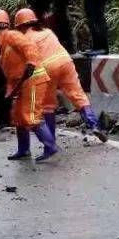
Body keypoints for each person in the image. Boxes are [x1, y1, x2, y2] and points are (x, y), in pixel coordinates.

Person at [13, 8, 107, 142]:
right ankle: (94, 124)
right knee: (79, 96)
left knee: (48, 105)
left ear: (19, 26)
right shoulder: (47, 32)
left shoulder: (24, 39)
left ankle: (51, 142)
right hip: (66, 62)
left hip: (47, 68)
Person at [0, 8, 59, 162]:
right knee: (18, 116)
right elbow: (11, 74)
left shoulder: (11, 36)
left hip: (33, 79)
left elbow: (29, 47)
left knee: (30, 116)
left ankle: (50, 146)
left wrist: (31, 63)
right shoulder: (2, 46)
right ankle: (23, 149)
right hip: (22, 83)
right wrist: (10, 92)